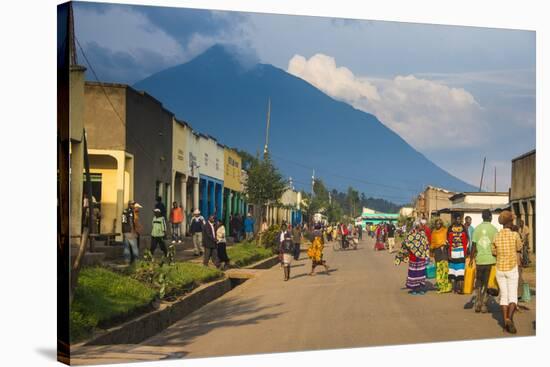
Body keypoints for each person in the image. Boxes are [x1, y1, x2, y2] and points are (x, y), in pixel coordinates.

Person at [492, 210, 523, 334]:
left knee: (504, 296)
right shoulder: (515, 235)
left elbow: (493, 252)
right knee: (513, 297)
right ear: (510, 222)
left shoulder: (496, 236)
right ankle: (510, 319)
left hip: (500, 269)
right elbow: (519, 248)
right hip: (512, 268)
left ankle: (505, 320)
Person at [469, 210, 498, 313]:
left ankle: (477, 303)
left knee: (479, 281)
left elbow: (474, 246)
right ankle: (484, 304)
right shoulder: (494, 230)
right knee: (487, 282)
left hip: (479, 260)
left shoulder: (477, 229)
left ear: (482, 217)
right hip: (490, 260)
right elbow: (496, 246)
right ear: (490, 217)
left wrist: (471, 259)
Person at [395, 220, 429, 295]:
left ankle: (420, 288)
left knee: (420, 273)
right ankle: (414, 289)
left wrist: (426, 255)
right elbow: (406, 243)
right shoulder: (410, 234)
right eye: (416, 226)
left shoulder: (422, 234)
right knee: (413, 273)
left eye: (418, 226)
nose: (418, 227)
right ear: (414, 226)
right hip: (413, 257)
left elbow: (426, 244)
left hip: (421, 257)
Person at [447, 214, 468, 294]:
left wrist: (466, 252)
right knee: (453, 271)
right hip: (452, 252)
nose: (459, 220)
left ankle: (460, 288)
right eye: (457, 219)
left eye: (460, 219)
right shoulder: (450, 228)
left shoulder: (463, 228)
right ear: (454, 220)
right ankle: (454, 288)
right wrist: (448, 254)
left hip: (461, 253)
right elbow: (447, 241)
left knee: (460, 271)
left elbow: (467, 240)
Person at [430, 218, 451, 293]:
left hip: (444, 250)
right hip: (437, 252)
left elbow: (449, 239)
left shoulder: (445, 230)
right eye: (436, 224)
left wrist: (447, 244)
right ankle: (441, 286)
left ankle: (446, 287)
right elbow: (432, 242)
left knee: (445, 269)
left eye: (439, 223)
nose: (438, 225)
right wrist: (431, 249)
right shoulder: (433, 232)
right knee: (439, 270)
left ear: (441, 224)